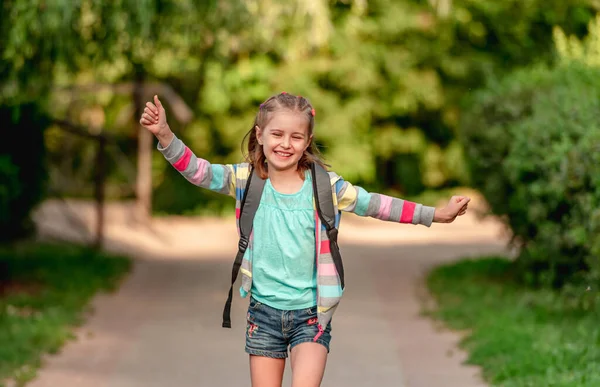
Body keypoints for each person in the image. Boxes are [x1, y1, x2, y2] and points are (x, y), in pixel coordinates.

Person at [139, 92, 470, 387]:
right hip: (263, 314)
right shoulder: (245, 180)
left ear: (307, 140)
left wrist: (435, 214)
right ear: (260, 135)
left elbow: (376, 205)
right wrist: (166, 135)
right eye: (277, 134)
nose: (286, 143)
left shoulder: (324, 186)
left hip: (312, 315)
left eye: (296, 136)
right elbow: (199, 171)